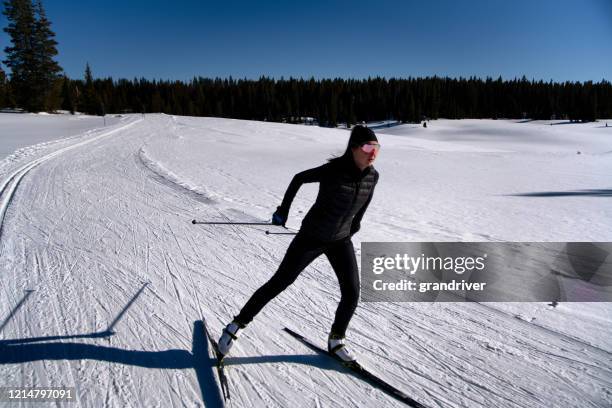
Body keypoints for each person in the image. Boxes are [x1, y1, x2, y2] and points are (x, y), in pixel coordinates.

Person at [218, 125, 380, 362]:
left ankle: (336, 340)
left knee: (352, 292)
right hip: (312, 237)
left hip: (340, 240)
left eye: (376, 148)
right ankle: (235, 326)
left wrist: (356, 224)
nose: (372, 152)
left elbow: (365, 201)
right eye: (367, 147)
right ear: (354, 148)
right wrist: (283, 211)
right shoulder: (333, 170)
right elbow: (298, 179)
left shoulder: (373, 176)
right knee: (280, 282)